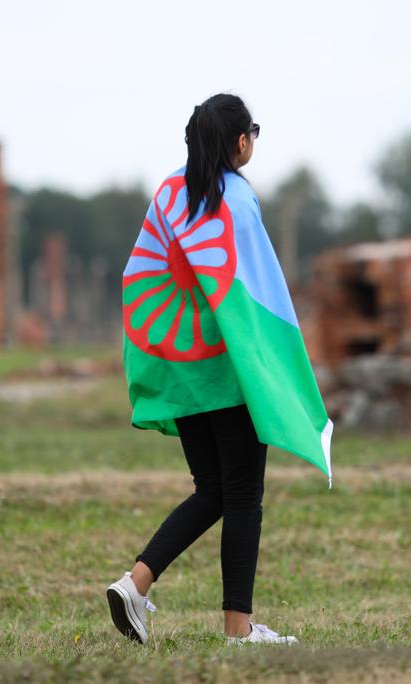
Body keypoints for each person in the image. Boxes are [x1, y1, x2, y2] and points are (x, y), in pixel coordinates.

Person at [106, 93, 306, 646]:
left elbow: (141, 277)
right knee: (243, 496)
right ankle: (239, 632)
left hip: (180, 369)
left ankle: (134, 585)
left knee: (214, 491)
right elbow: (253, 296)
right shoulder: (237, 200)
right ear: (241, 141)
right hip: (228, 371)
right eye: (254, 133)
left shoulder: (167, 194)